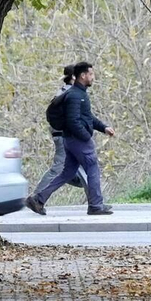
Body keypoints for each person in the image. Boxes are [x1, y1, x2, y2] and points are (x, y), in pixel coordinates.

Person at [25, 61, 115, 216]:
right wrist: (86, 136)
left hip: (71, 140)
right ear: (83, 75)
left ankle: (38, 199)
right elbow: (73, 120)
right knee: (92, 168)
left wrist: (103, 127)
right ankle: (95, 205)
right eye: (91, 74)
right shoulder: (75, 95)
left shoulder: (79, 94)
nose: (93, 77)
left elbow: (87, 117)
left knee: (67, 173)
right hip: (77, 140)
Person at [31, 66, 88, 205]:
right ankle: (36, 198)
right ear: (74, 77)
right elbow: (74, 118)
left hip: (62, 135)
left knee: (80, 167)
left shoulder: (63, 92)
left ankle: (96, 202)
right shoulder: (70, 93)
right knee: (60, 168)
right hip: (65, 136)